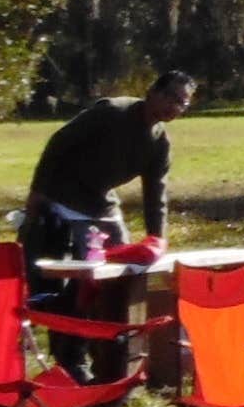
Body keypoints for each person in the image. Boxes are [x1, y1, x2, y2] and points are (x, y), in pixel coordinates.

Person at [24, 70, 195, 263]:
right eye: (170, 97)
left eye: (182, 103)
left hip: (102, 203)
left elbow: (155, 196)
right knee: (87, 263)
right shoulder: (112, 112)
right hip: (66, 197)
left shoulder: (160, 144)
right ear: (152, 91)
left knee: (127, 264)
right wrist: (37, 192)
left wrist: (157, 241)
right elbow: (58, 143)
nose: (174, 106)